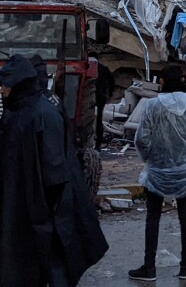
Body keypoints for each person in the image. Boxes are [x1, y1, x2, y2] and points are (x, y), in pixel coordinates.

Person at [0, 55, 109, 285]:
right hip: (23, 205)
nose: (2, 90)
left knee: (51, 266)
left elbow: (54, 175)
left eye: (5, 85)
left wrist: (44, 213)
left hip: (42, 212)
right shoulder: (17, 111)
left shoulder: (42, 114)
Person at [129, 65, 186, 282]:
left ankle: (149, 267)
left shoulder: (152, 105)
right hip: (185, 171)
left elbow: (141, 139)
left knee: (152, 217)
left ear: (162, 81)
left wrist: (151, 159)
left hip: (157, 170)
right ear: (182, 79)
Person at [94, 55, 115, 151]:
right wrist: (109, 93)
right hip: (100, 95)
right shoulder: (103, 68)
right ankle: (98, 143)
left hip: (97, 95)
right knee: (99, 119)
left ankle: (97, 142)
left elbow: (111, 82)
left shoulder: (95, 68)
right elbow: (112, 82)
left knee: (98, 120)